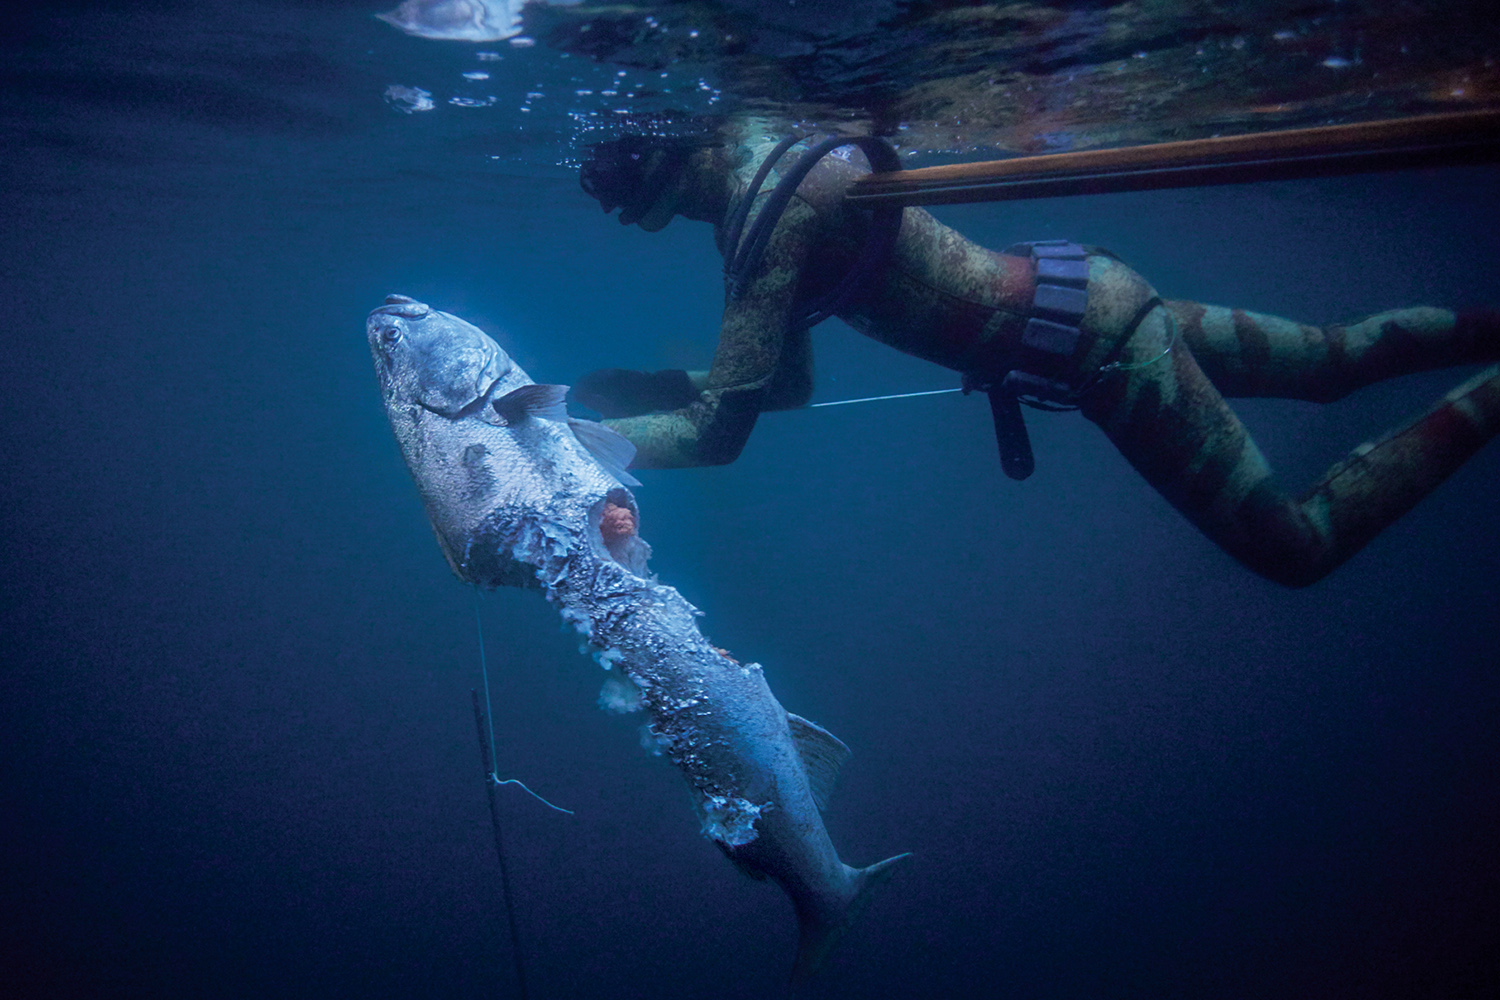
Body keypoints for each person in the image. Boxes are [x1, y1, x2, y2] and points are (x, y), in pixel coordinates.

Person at [573, 127, 1500, 587]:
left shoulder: (758, 233)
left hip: (1099, 349)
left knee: (1297, 549)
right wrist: (661, 388)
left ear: (652, 179)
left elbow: (719, 434)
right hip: (1094, 295)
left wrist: (580, 445)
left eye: (620, 199)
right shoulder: (765, 144)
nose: (623, 217)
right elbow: (784, 384)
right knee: (1337, 362)